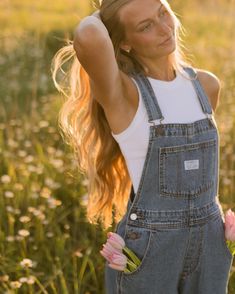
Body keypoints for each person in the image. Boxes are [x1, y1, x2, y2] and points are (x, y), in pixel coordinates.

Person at [51, 0, 234, 293]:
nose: (164, 28)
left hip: (209, 246)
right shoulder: (124, 95)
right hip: (151, 250)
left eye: (163, 13)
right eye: (145, 26)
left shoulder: (206, 86)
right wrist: (112, 8)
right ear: (124, 43)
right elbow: (88, 36)